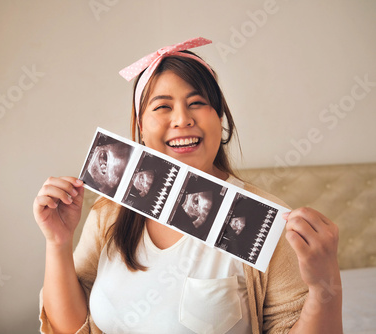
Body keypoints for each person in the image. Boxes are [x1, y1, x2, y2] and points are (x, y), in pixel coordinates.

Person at [34, 37, 342, 333]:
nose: (182, 119)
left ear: (219, 118)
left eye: (196, 102)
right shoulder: (108, 214)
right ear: (141, 126)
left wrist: (325, 286)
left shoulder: (265, 227)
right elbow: (70, 328)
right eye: (163, 107)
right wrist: (58, 243)